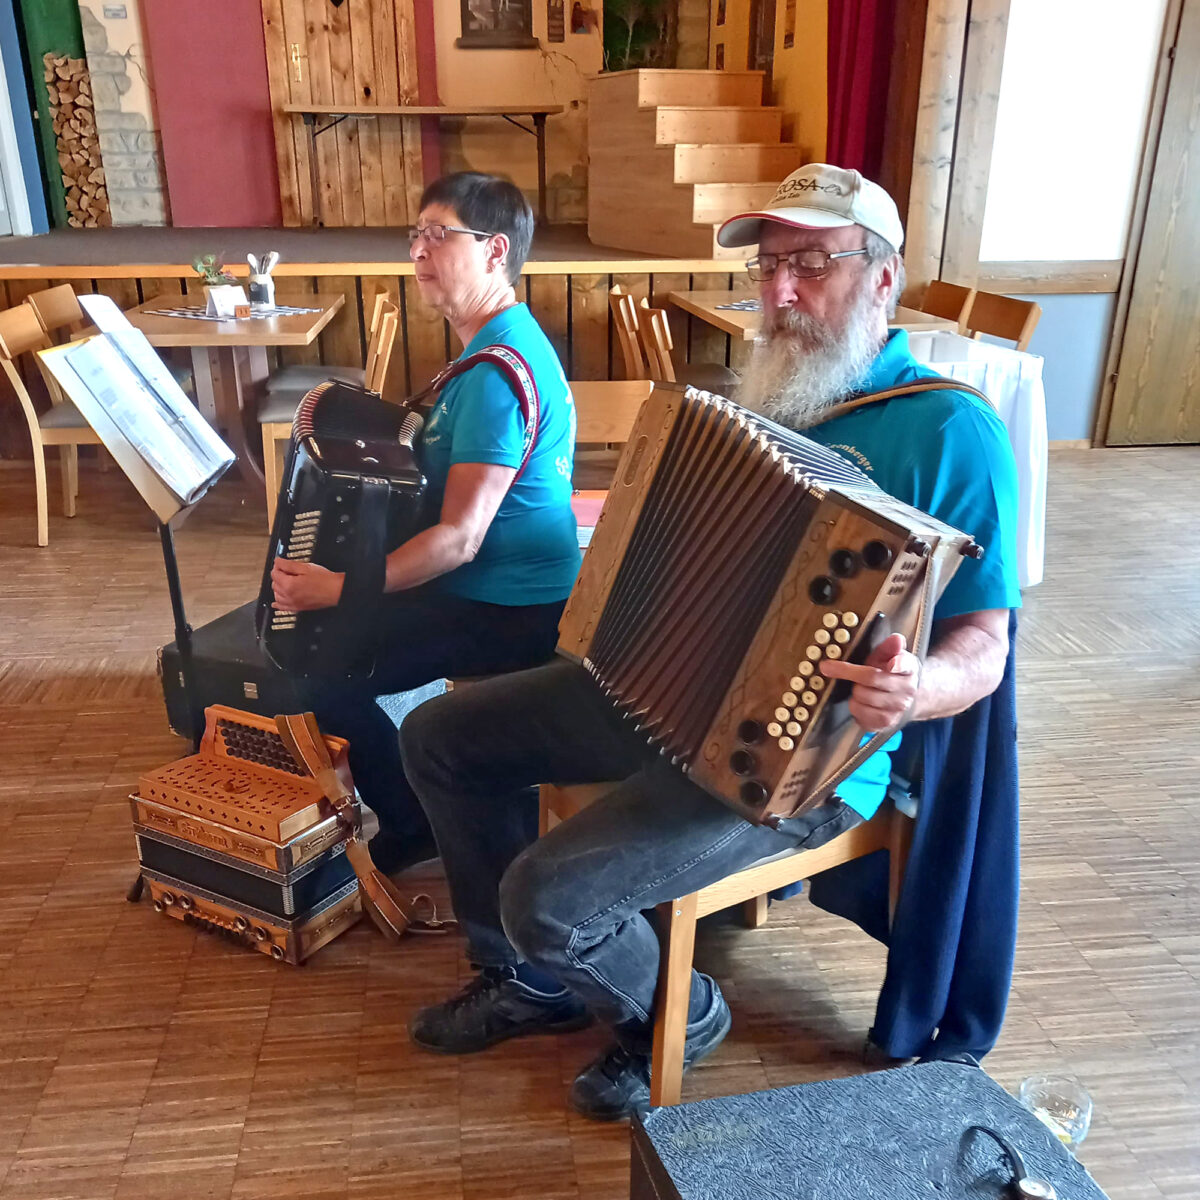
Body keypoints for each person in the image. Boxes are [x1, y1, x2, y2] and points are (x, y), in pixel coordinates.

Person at [397, 163, 1021, 1120]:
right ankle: (527, 980)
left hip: (800, 756)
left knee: (548, 897)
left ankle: (678, 1014)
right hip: (662, 694)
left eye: (812, 263)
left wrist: (921, 685)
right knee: (436, 739)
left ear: (884, 277)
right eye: (770, 265)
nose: (779, 291)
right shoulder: (763, 396)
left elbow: (987, 640)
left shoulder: (951, 432)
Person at [271, 172, 580, 876]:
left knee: (319, 664)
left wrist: (340, 588)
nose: (418, 250)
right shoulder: (494, 346)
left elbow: (460, 539)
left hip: (508, 607)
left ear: (495, 250)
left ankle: (413, 825)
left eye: (438, 235)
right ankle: (418, 811)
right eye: (415, 235)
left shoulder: (499, 373)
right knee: (327, 646)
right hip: (490, 587)